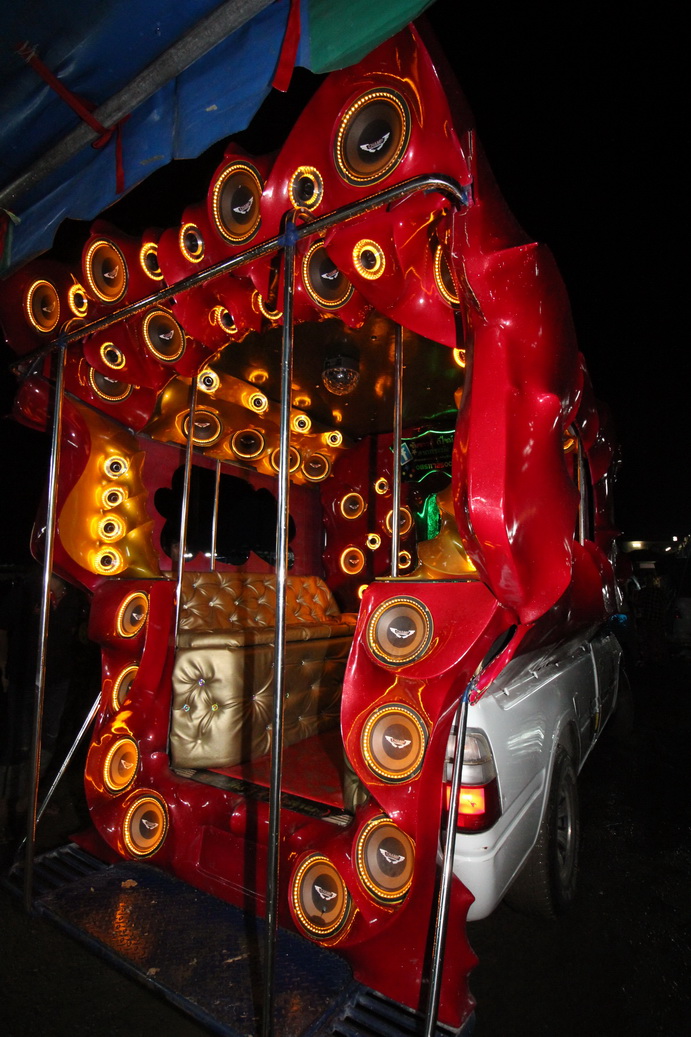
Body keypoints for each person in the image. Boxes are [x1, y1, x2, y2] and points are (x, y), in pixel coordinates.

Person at [0, 565, 85, 854]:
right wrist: (4, 664)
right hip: (24, 676)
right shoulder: (27, 591)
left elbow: (75, 635)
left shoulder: (72, 597)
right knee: (19, 741)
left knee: (47, 738)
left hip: (57, 678)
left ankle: (31, 799)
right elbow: (5, 627)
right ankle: (8, 806)